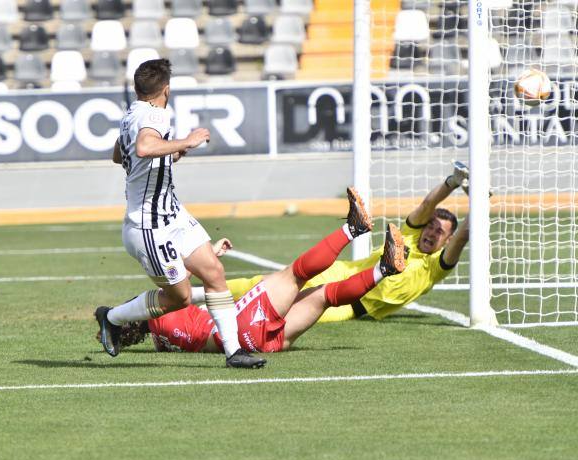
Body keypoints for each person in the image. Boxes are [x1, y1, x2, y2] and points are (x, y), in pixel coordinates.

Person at [95, 58, 265, 369]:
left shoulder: (132, 114)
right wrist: (188, 140)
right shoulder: (156, 115)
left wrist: (173, 152)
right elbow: (145, 148)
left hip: (172, 214)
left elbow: (121, 155)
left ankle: (234, 352)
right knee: (179, 299)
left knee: (213, 272)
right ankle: (112, 317)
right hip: (149, 227)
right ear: (166, 89)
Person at [103, 188, 407, 354]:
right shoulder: (162, 312)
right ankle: (352, 228)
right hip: (242, 326)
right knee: (296, 274)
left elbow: (192, 294)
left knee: (325, 296)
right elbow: (184, 287)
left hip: (262, 343)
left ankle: (385, 268)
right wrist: (206, 259)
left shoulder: (162, 342)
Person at [226, 161, 472, 322]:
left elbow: (462, 238)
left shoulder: (435, 268)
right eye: (430, 226)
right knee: (263, 286)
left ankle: (211, 319)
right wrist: (452, 182)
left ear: (447, 239)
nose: (431, 232)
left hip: (352, 306)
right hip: (340, 272)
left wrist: (479, 202)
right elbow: (428, 205)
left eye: (439, 232)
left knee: (284, 314)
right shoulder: (410, 234)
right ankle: (201, 294)